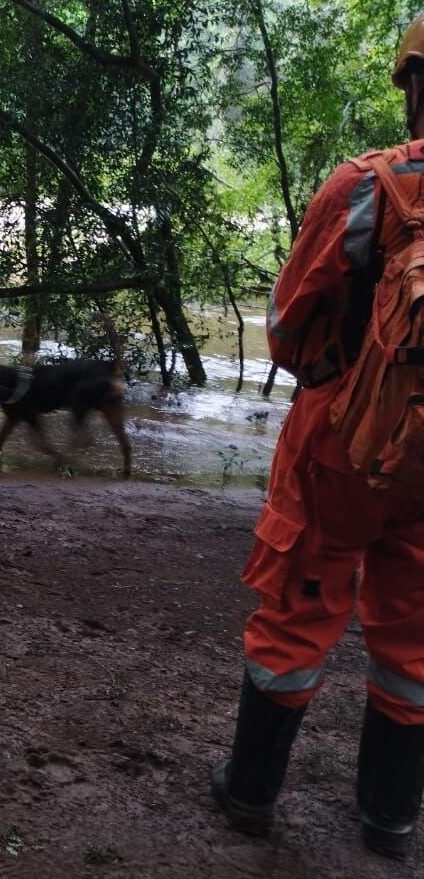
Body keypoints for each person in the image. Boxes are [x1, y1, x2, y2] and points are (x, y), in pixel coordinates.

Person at [211, 13, 424, 858]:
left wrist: (344, 376)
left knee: (300, 609)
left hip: (343, 442)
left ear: (411, 83)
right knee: (415, 633)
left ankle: (252, 794)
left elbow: (287, 327)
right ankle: (392, 819)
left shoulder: (366, 186)